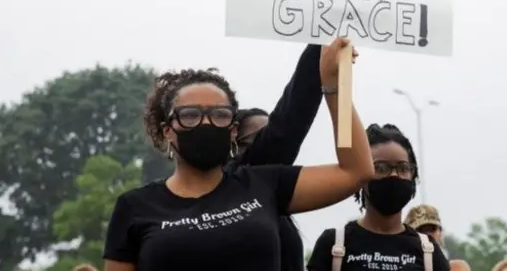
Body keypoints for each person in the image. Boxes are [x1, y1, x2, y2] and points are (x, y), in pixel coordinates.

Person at [103, 38, 374, 271]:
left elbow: (356, 171)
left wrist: (335, 87)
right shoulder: (134, 208)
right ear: (168, 131)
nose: (206, 123)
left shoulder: (264, 185)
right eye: (190, 115)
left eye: (219, 115)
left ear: (233, 130)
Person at [227, 44, 325, 271]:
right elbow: (289, 123)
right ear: (235, 146)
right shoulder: (233, 188)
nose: (268, 143)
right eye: (261, 137)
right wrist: (319, 50)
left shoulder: (278, 204)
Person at [307, 124, 450, 271]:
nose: (394, 175)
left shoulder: (429, 253)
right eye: (381, 168)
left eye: (403, 168)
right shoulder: (334, 244)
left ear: (413, 176)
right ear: (362, 175)